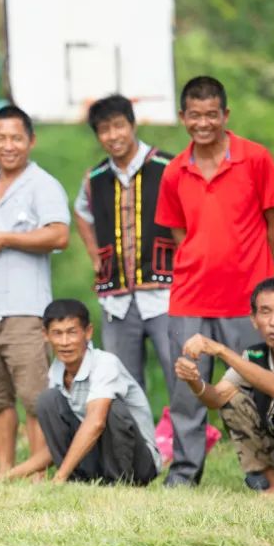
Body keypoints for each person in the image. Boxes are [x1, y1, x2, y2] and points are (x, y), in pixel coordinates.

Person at [155, 76, 274, 487]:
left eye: (211, 114)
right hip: (190, 297)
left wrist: (260, 279)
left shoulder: (255, 158)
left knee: (249, 389)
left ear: (225, 115)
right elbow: (180, 235)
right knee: (186, 387)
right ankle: (183, 473)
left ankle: (259, 473)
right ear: (183, 118)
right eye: (194, 115)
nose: (203, 123)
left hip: (245, 299)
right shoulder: (174, 172)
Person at [0, 105, 70, 474]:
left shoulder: (43, 185)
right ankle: (6, 470)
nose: (8, 146)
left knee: (35, 398)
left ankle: (37, 473)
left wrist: (5, 239)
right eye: (1, 138)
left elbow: (59, 234)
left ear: (31, 141)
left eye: (16, 138)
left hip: (26, 310)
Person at [174, 277, 274, 495]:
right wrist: (193, 379)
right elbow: (217, 398)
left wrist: (221, 350)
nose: (273, 322)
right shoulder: (254, 355)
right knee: (233, 401)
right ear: (253, 319)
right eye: (265, 312)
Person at [0, 299, 159, 485]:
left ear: (88, 332)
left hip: (139, 465)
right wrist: (6, 476)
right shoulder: (56, 372)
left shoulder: (105, 363)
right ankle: (79, 480)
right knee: (47, 401)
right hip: (99, 457)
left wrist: (59, 477)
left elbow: (96, 422)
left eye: (72, 332)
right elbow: (55, 448)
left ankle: (121, 483)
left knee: (110, 409)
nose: (65, 342)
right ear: (45, 335)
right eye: (57, 334)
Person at [73, 94, 174, 394]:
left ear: (132, 124)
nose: (113, 135)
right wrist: (94, 255)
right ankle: (136, 442)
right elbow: (80, 212)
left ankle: (188, 441)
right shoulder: (95, 177)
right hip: (116, 297)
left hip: (167, 291)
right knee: (121, 383)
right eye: (104, 129)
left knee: (180, 372)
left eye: (119, 126)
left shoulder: (168, 166)